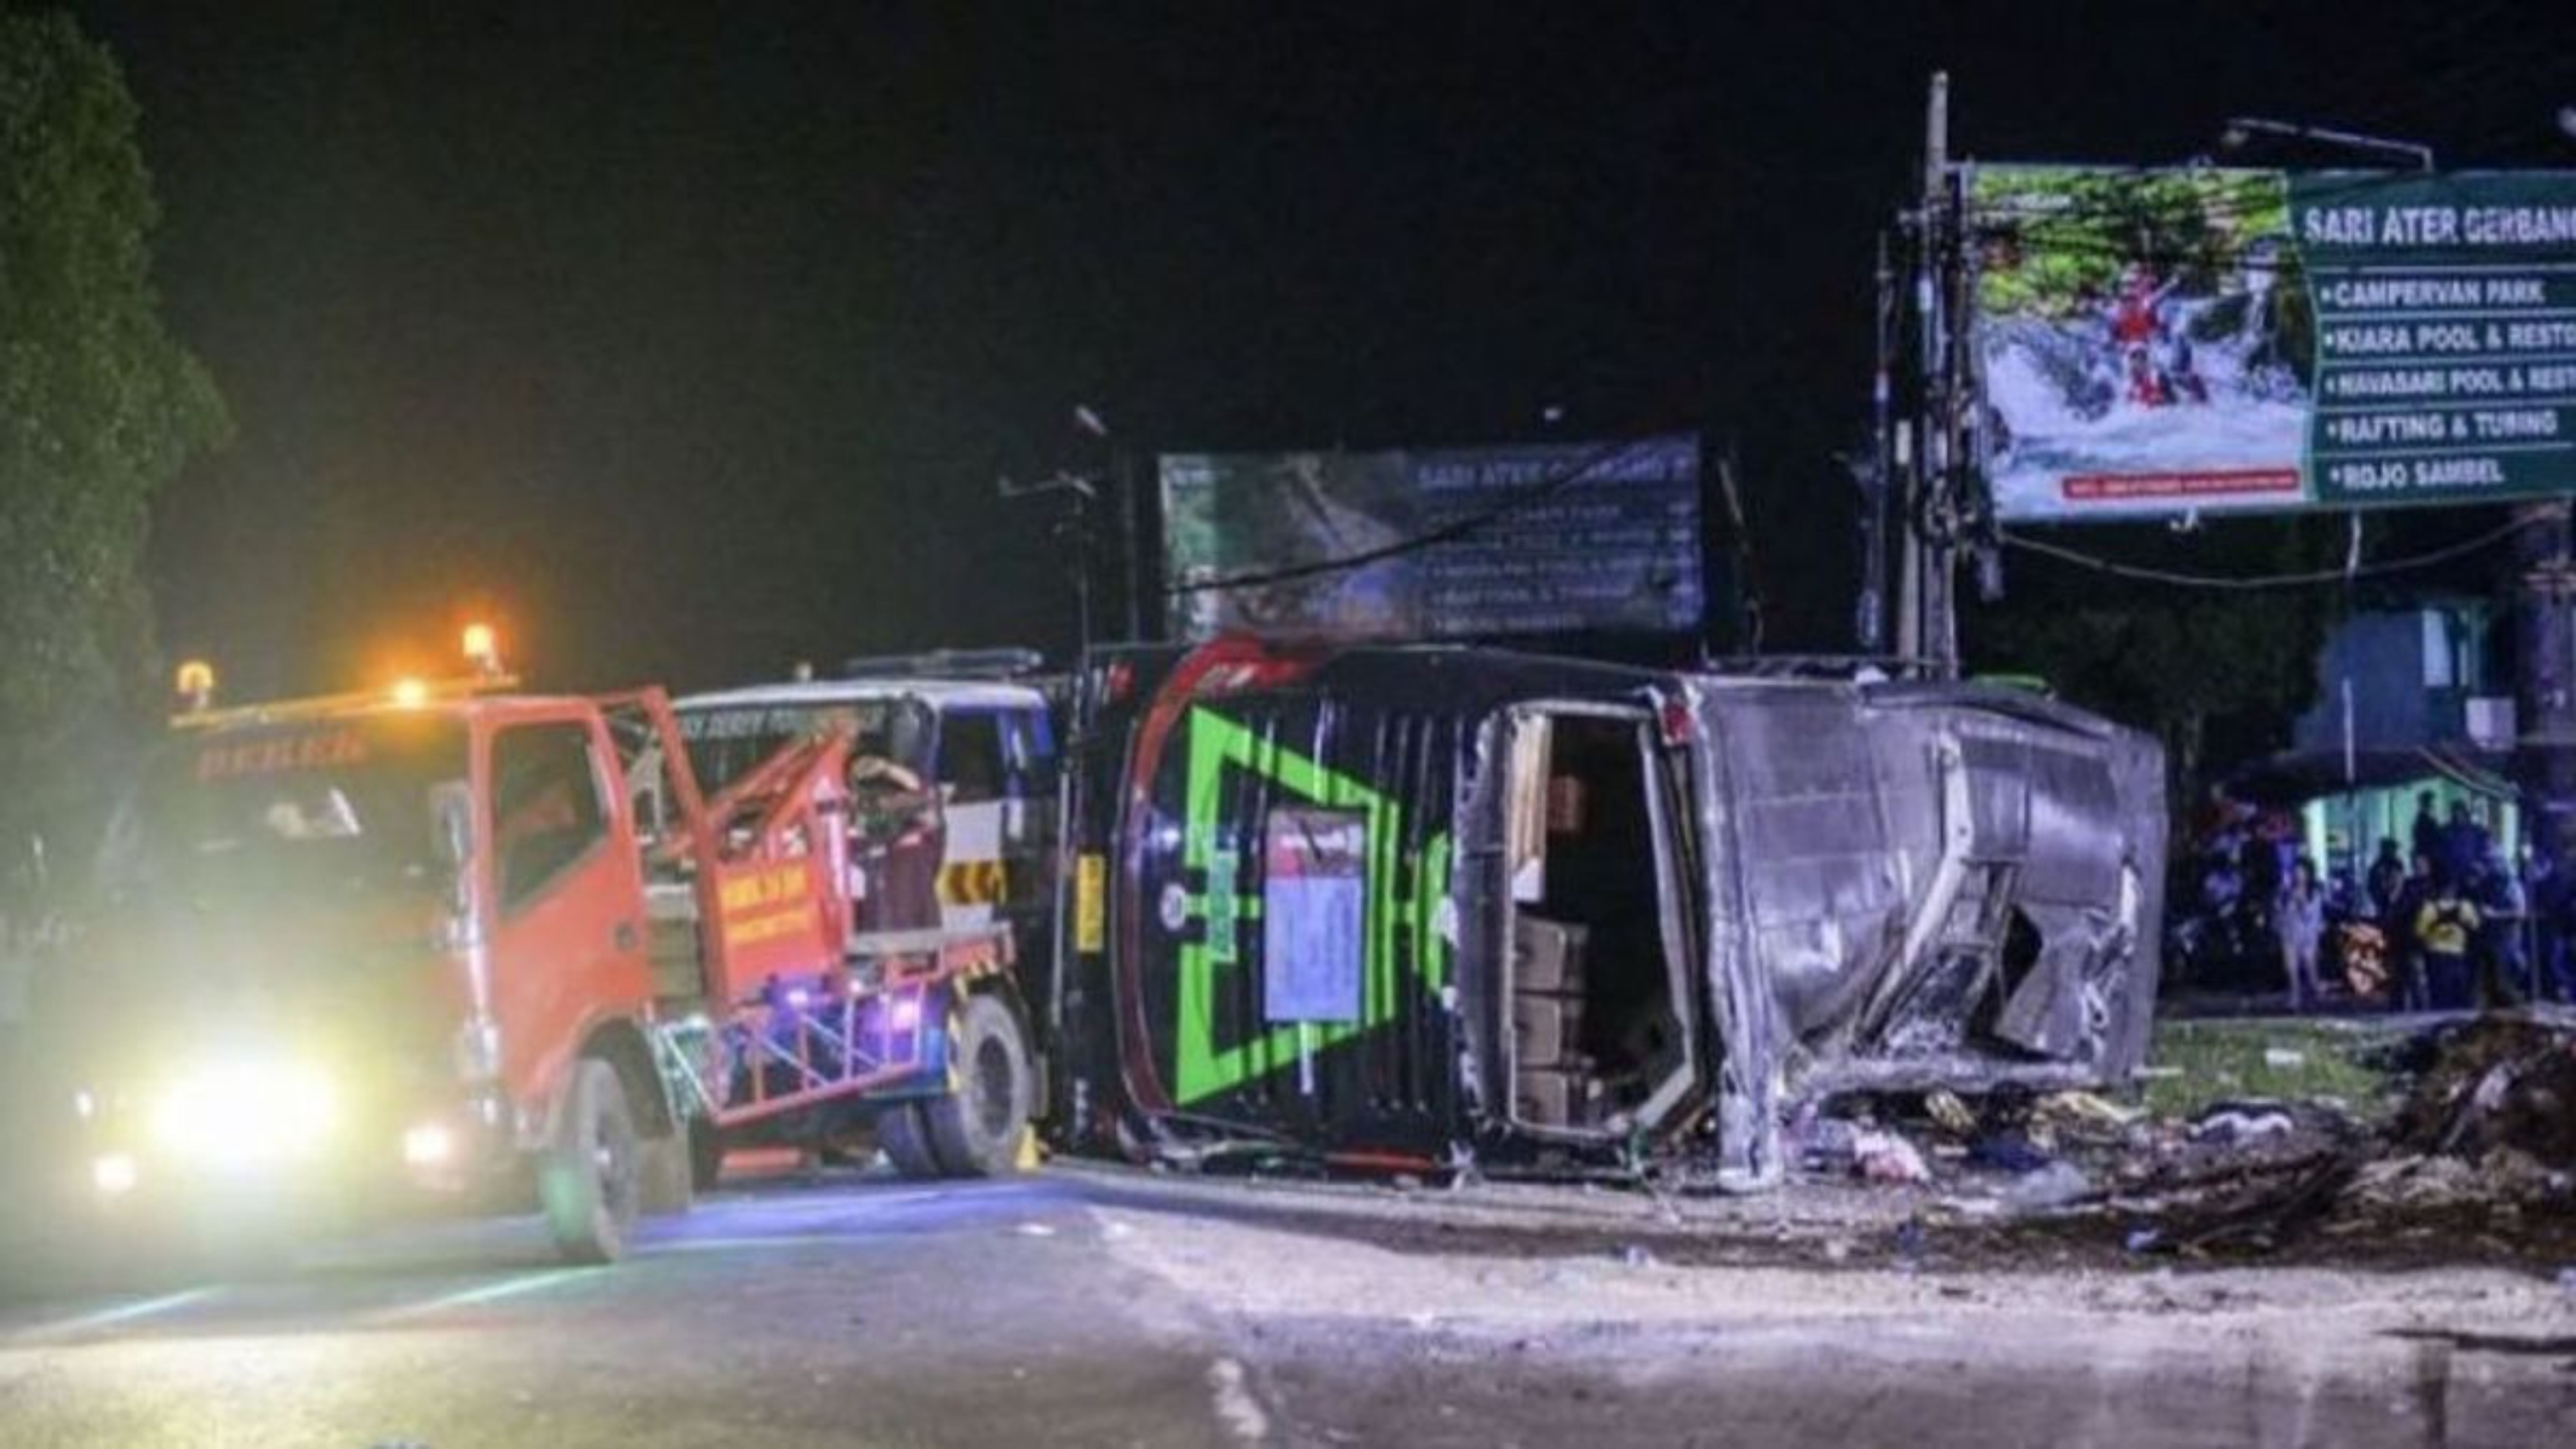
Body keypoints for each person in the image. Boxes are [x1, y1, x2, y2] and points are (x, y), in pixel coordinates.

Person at [2414, 873, 2483, 1012]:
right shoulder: (2465, 907)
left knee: (2440, 1000)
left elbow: (2419, 932)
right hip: (2457, 957)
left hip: (2437, 958)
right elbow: (2476, 926)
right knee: (2458, 999)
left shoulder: (2429, 909)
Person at [2276, 857, 2326, 1012]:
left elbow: (2313, 916)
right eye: (2297, 871)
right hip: (2290, 934)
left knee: (2311, 970)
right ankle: (2295, 999)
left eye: (2302, 871)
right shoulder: (2287, 891)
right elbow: (2280, 911)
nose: (2299, 875)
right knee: (2292, 970)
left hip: (2308, 937)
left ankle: (2316, 995)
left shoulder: (2315, 892)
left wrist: (2302, 902)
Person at [2365, 837, 2406, 922]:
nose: (2392, 852)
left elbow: (2400, 882)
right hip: (2382, 901)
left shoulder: (2398, 864)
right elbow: (2372, 885)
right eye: (2390, 849)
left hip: (2394, 902)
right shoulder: (2378, 865)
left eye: (2393, 850)